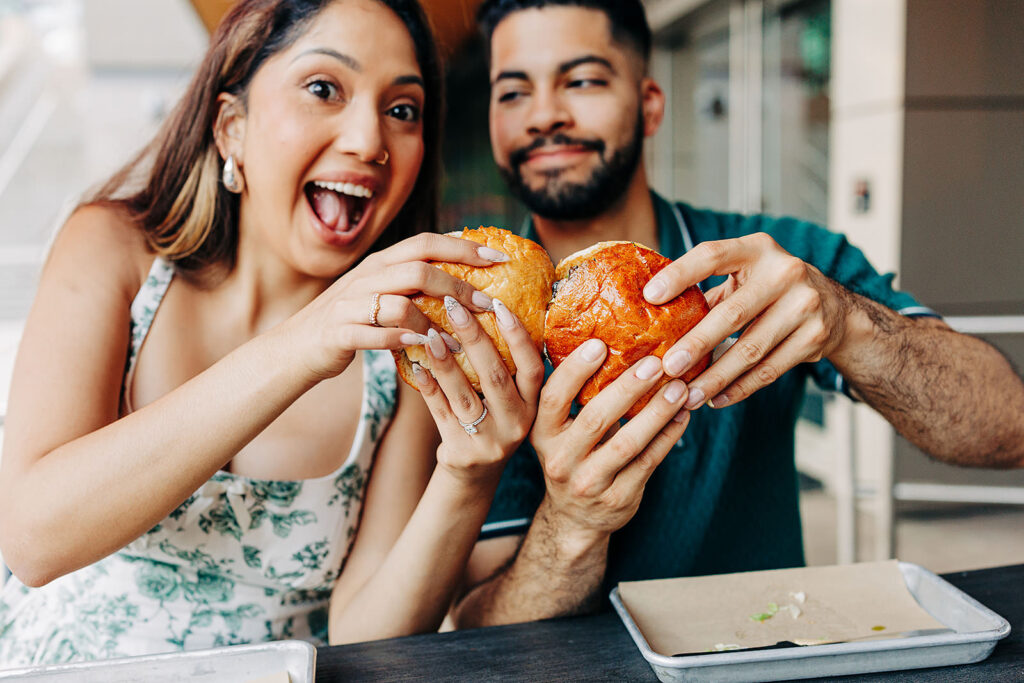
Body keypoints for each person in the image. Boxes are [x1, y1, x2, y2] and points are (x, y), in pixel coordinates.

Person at [0, 0, 543, 666]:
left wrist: (467, 474)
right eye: (324, 89)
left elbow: (367, 638)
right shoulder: (114, 249)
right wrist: (299, 345)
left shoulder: (406, 339)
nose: (370, 141)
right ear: (232, 127)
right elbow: (33, 538)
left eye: (402, 109)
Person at [450, 0, 1024, 627]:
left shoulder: (775, 261)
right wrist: (573, 525)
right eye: (512, 93)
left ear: (649, 104)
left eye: (582, 80)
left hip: (771, 647)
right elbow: (478, 625)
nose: (544, 115)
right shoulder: (477, 326)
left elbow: (1008, 428)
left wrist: (849, 322)